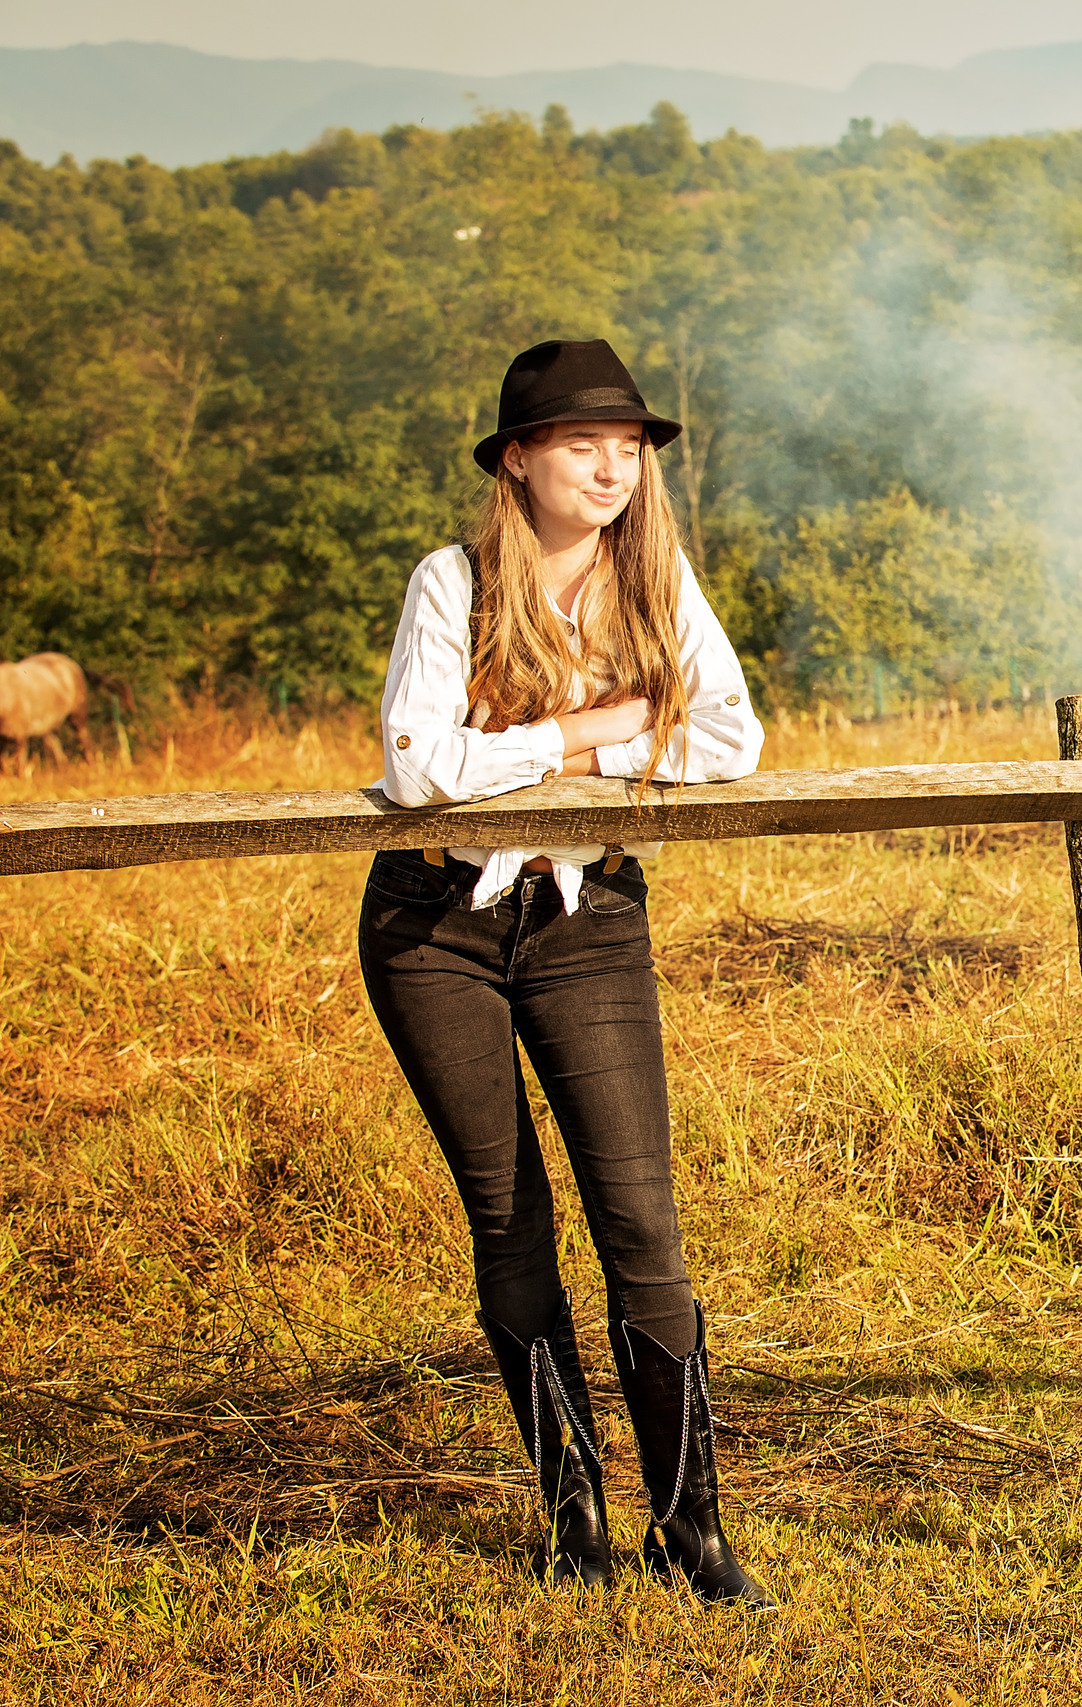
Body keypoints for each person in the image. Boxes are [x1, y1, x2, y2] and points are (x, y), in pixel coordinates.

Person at [358, 338, 771, 1605]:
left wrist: (547, 760)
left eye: (629, 448)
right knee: (510, 1218)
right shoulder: (453, 582)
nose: (611, 469)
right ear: (519, 460)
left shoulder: (658, 582)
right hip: (435, 925)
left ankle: (690, 1527)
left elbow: (729, 739)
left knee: (639, 1217)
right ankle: (573, 1516)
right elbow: (419, 767)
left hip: (588, 920)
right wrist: (594, 729)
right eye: (583, 445)